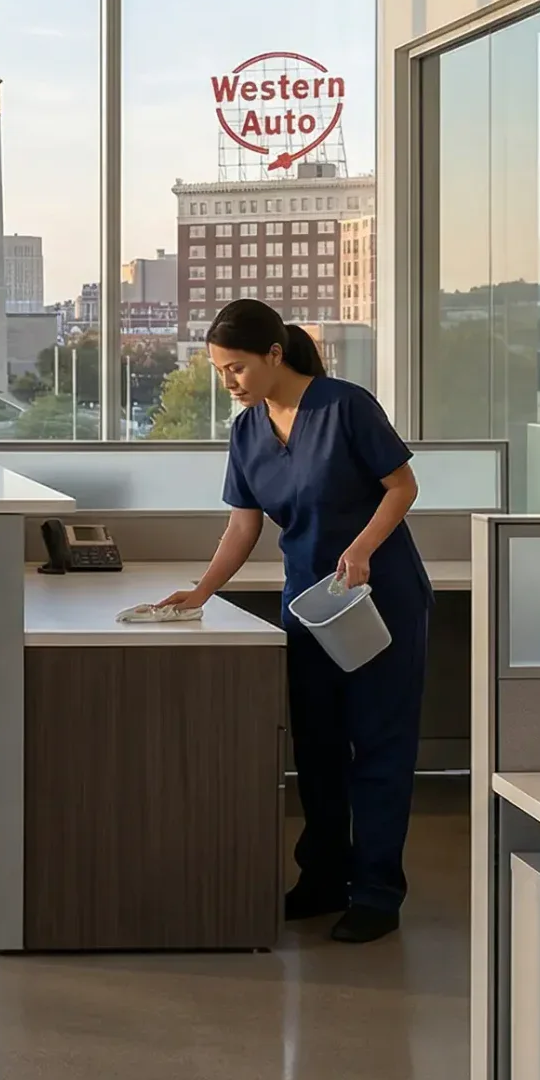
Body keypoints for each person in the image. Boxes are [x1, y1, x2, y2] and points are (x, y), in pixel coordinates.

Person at [155, 298, 428, 944]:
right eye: (220, 371)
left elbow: (402, 486)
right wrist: (201, 591)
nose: (229, 382)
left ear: (274, 354)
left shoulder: (345, 407)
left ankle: (377, 893)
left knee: (379, 747)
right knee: (316, 747)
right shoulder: (247, 431)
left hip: (379, 598)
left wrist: (361, 548)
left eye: (237, 368)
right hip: (308, 607)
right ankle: (324, 878)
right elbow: (243, 524)